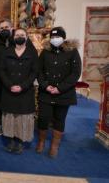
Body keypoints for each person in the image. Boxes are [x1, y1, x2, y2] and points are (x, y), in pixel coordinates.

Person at [36, 27, 81, 158]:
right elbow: (39, 71)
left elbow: (75, 73)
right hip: (46, 92)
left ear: (63, 37)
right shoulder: (45, 52)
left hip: (64, 93)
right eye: (53, 37)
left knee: (59, 119)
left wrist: (60, 88)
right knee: (43, 118)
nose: (55, 39)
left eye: (57, 37)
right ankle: (41, 141)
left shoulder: (72, 51)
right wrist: (45, 85)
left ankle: (55, 146)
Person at [0, 28, 38, 154]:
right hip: (8, 89)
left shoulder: (32, 52)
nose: (19, 36)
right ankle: (10, 140)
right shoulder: (6, 51)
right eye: (17, 35)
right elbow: (1, 70)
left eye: (22, 35)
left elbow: (34, 72)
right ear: (13, 37)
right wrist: (9, 85)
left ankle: (20, 141)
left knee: (22, 117)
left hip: (25, 90)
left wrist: (23, 86)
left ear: (26, 37)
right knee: (10, 116)